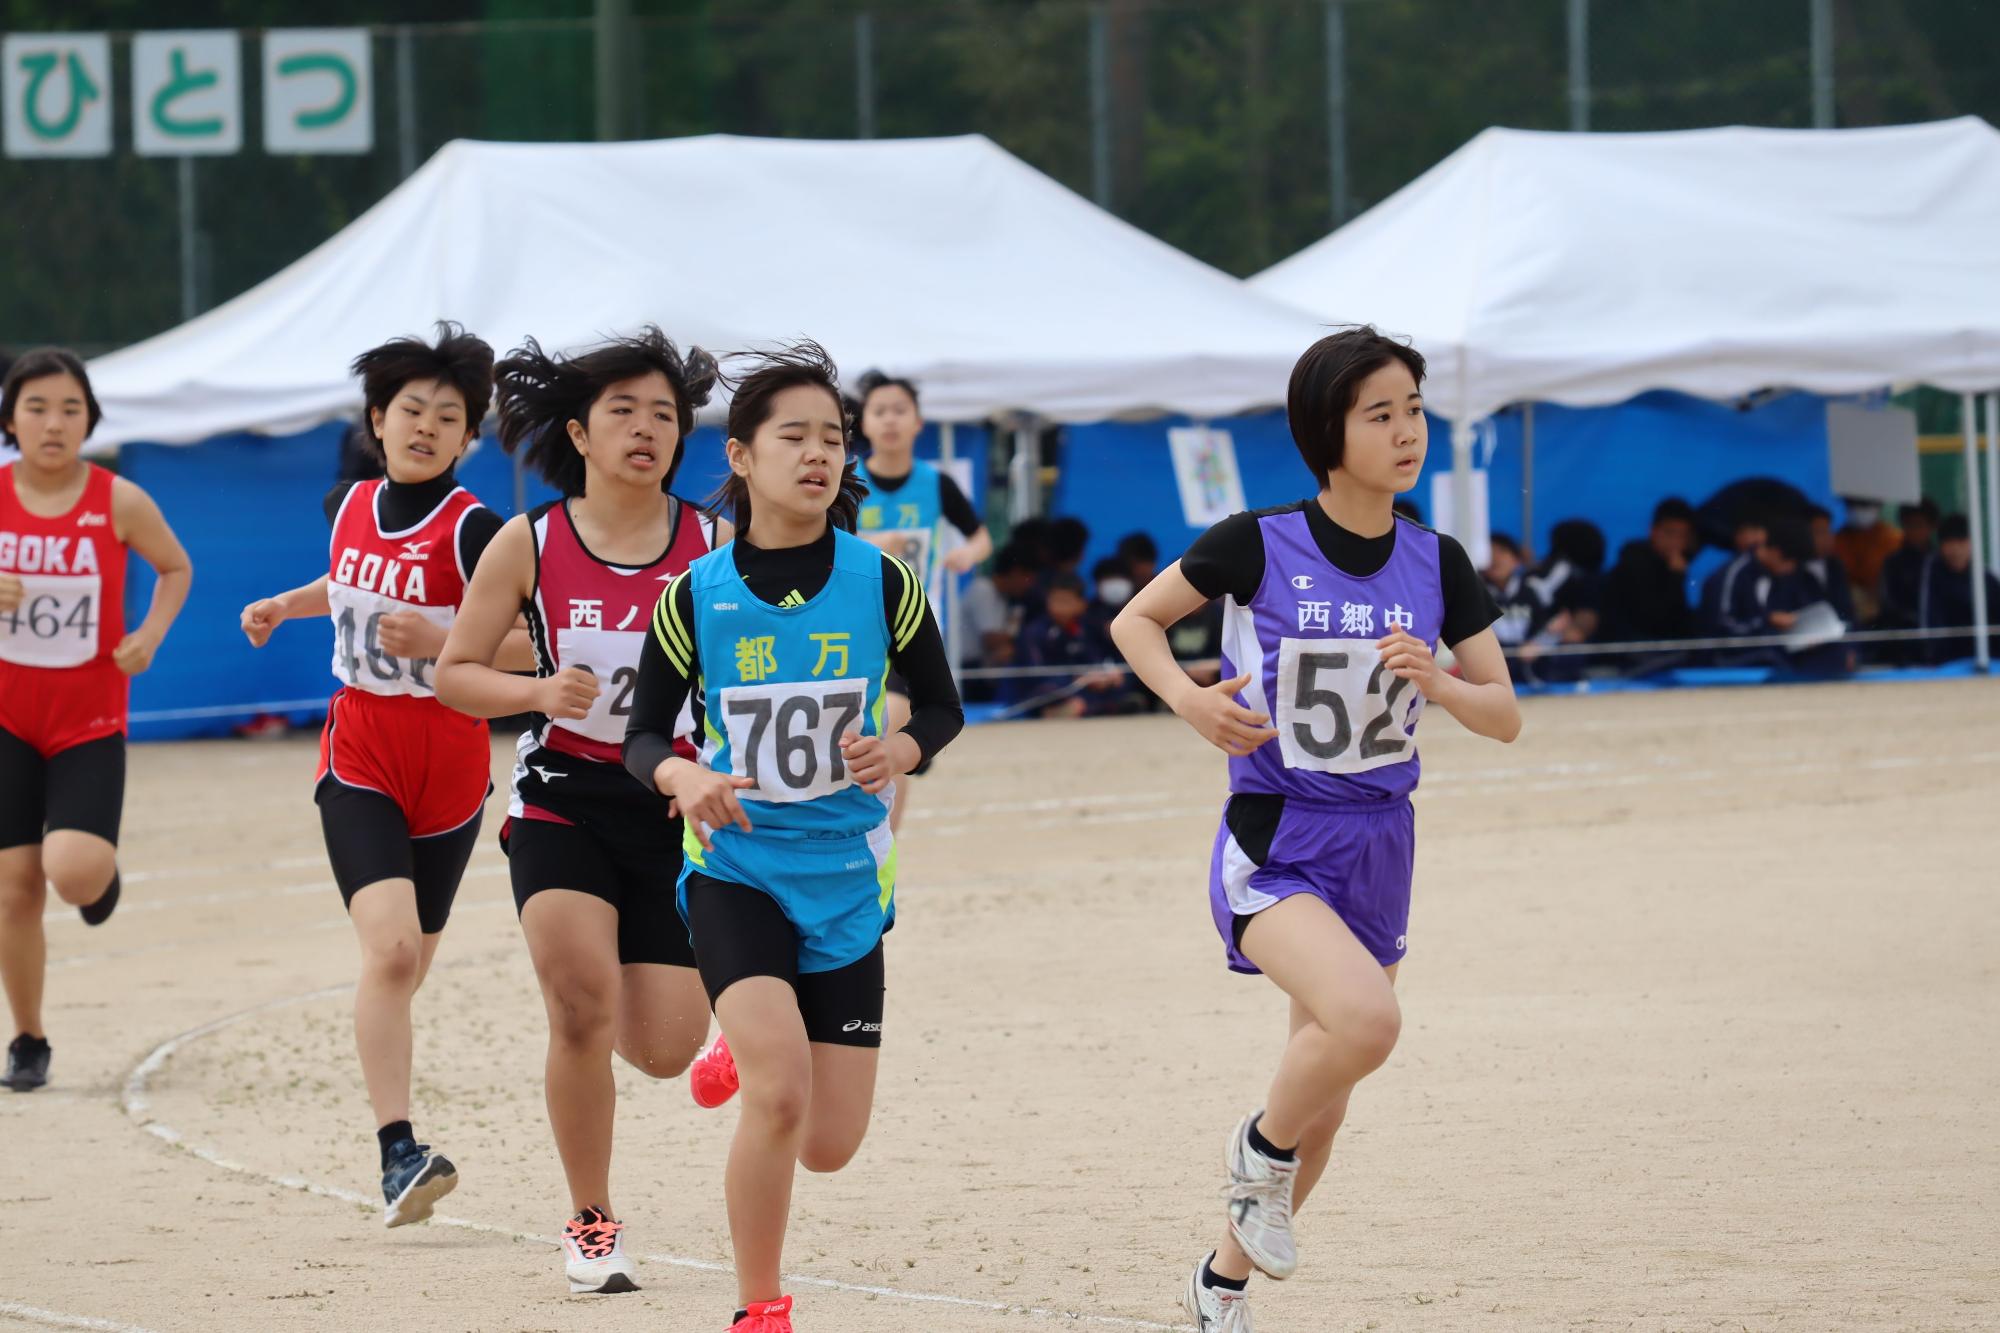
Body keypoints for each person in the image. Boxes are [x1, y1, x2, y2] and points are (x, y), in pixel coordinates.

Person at [1112, 328, 1517, 1333]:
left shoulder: (1437, 559)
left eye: (1412, 408)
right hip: (1275, 836)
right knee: (1365, 1025)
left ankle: (1220, 1285)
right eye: (1378, 413)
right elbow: (1135, 623)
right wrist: (1190, 700)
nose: (1405, 430)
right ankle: (1256, 1148)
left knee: (1326, 1094)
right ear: (1325, 431)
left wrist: (1441, 681)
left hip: (1381, 843)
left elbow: (1504, 710)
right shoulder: (1256, 541)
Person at [623, 343, 963, 1333]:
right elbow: (644, 732)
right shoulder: (695, 595)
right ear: (740, 456)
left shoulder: (881, 582)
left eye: (832, 437)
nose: (818, 454)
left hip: (846, 881)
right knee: (776, 1093)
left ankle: (748, 1038)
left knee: (827, 1141)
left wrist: (898, 748)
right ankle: (758, 1306)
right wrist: (682, 774)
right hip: (735, 868)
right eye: (794, 436)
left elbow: (940, 709)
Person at [434, 328, 722, 1295]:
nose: (647, 430)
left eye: (665, 416)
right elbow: (455, 673)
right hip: (563, 797)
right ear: (580, 432)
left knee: (664, 1046)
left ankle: (719, 1009)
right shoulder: (532, 540)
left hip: (677, 804)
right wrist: (532, 693)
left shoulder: (715, 543)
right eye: (624, 413)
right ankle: (592, 1220)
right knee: (578, 1007)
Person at [240, 325, 511, 1223]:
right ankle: (399, 1153)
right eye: (411, 411)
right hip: (360, 748)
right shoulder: (348, 504)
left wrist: (443, 641)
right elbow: (348, 575)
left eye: (448, 415)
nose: (427, 427)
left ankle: (397, 1135)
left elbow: (531, 639)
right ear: (377, 419)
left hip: (451, 760)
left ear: (469, 434)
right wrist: (288, 602)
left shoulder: (476, 529)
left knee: (406, 966)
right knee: (391, 950)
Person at [0, 349, 192, 1092]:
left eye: (70, 408)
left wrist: (148, 635)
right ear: (11, 417)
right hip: (8, 719)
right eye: (38, 407)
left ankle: (95, 879)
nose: (54, 422)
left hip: (87, 720)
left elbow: (176, 568)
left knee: (71, 876)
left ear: (90, 420)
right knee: (15, 887)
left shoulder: (119, 499)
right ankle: (28, 1036)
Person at [851, 372, 989, 835]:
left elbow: (981, 536)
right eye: (879, 411)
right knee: (877, 731)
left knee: (896, 731)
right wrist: (871, 543)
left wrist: (967, 554)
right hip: (852, 625)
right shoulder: (847, 482)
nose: (889, 420)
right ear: (864, 423)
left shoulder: (936, 484)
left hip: (912, 628)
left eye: (899, 410)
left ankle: (884, 842)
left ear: (917, 422)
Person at [1017, 571, 1129, 716]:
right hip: (1053, 691)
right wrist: (1077, 679)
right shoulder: (1034, 632)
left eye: (1066, 602)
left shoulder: (1090, 627)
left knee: (1121, 685)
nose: (1060, 608)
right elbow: (1034, 674)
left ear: (1081, 604)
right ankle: (1054, 711)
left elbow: (1101, 659)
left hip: (1090, 688)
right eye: (1055, 601)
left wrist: (1109, 675)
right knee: (1054, 695)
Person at [1918, 514, 2000, 664]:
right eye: (1949, 542)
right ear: (1941, 545)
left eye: (1961, 542)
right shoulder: (1931, 574)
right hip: (1944, 666)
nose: (1956, 550)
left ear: (1971, 543)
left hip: (1988, 664)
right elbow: (1930, 624)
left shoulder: (1988, 581)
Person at [1877, 500, 1939, 659]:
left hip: (1939, 636)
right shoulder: (1893, 563)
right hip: (1903, 639)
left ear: (1932, 527)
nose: (1913, 531)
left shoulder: (1940, 562)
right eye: (1908, 525)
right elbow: (1888, 604)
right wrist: (1917, 621)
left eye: (1918, 525)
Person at [1699, 513, 1769, 640]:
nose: (1758, 538)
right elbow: (1724, 623)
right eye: (1752, 530)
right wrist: (1766, 622)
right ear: (1737, 535)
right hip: (1728, 654)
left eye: (1759, 531)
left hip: (1762, 650)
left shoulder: (1769, 571)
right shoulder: (1733, 571)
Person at [1832, 496, 1899, 624]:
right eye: (1853, 504)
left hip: (1885, 615)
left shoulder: (1893, 540)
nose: (1859, 510)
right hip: (1847, 615)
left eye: (1864, 505)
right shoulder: (1837, 541)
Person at [1804, 504, 1857, 627]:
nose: (1828, 537)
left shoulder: (1835, 566)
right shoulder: (1792, 571)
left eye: (1829, 530)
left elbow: (1848, 610)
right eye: (1820, 532)